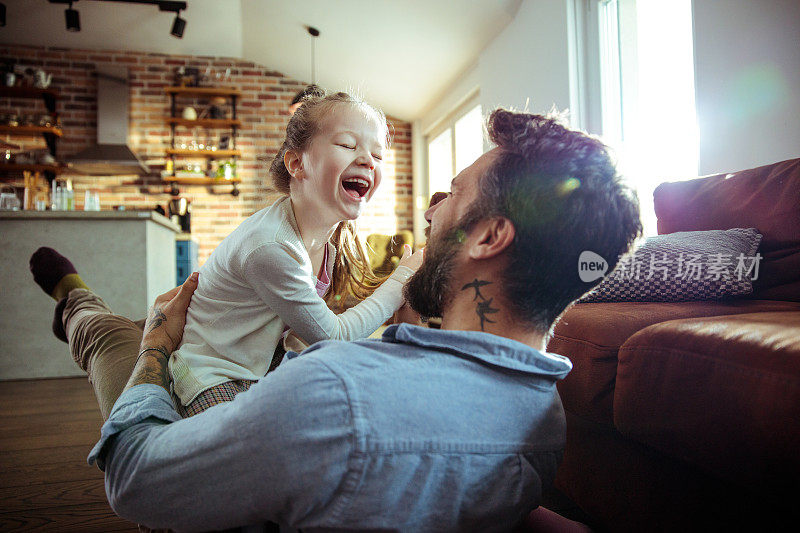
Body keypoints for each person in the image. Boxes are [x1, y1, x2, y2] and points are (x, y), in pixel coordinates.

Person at [32, 108, 641, 531]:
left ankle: (78, 303)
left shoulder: (335, 394)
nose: (430, 210)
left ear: (489, 237)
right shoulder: (548, 424)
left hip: (217, 462)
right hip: (278, 401)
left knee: (117, 340)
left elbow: (131, 480)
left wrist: (158, 344)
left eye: (450, 195)